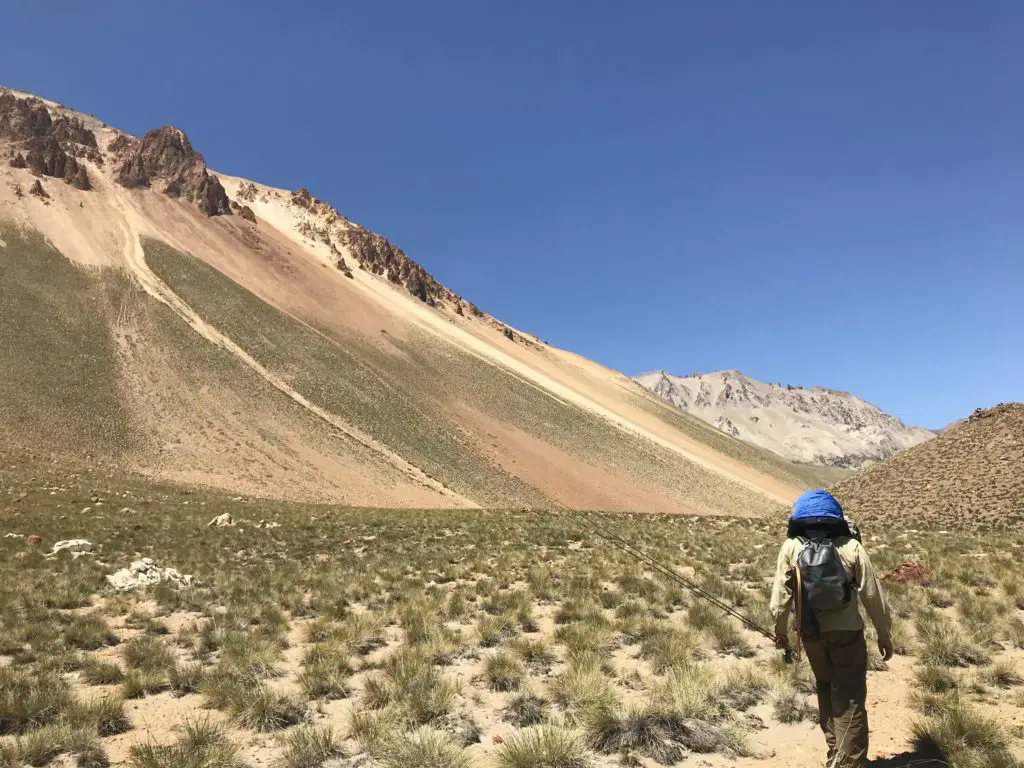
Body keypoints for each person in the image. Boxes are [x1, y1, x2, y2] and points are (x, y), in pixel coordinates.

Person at [770, 489, 893, 768]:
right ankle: (849, 763)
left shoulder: (791, 547)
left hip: (810, 633)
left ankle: (835, 754)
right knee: (850, 695)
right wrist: (884, 633)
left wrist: (781, 633)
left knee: (825, 687)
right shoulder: (850, 546)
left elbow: (780, 599)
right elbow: (873, 596)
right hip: (847, 631)